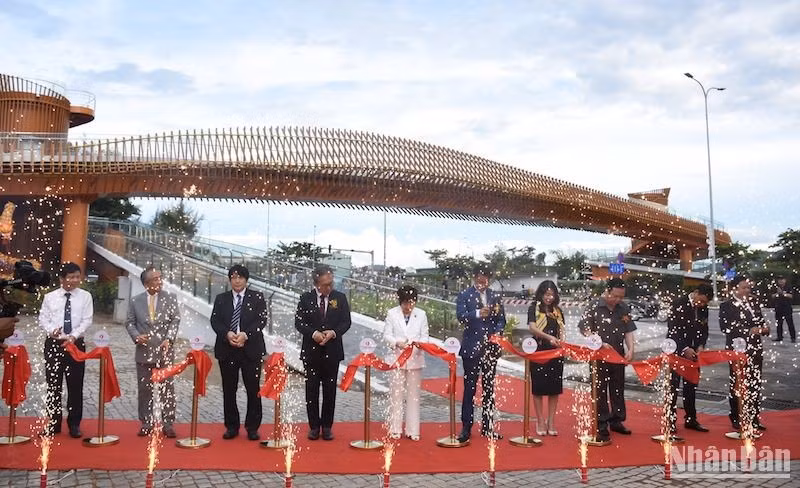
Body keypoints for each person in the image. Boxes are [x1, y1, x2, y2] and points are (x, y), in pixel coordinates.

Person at [211, 264, 267, 441]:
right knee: (229, 389)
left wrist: (246, 335)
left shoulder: (257, 297)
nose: (237, 280)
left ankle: (252, 427)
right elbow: (215, 321)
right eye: (233, 277)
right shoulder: (221, 299)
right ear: (230, 280)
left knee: (253, 389)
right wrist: (227, 333)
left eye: (240, 277)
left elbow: (262, 320)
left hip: (251, 349)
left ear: (246, 280)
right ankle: (232, 426)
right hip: (227, 349)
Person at [295, 265, 351, 441]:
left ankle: (327, 426)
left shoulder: (339, 298)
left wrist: (333, 332)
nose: (329, 287)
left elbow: (346, 322)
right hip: (312, 352)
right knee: (311, 390)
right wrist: (314, 334)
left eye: (331, 283)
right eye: (325, 284)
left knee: (329, 391)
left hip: (332, 351)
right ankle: (314, 426)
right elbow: (299, 322)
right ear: (316, 283)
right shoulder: (305, 298)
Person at [38, 262, 93, 437]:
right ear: (62, 279)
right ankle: (53, 422)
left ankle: (74, 424)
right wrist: (51, 330)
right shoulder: (50, 297)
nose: (75, 280)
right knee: (53, 385)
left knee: (75, 385)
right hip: (54, 344)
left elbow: (87, 320)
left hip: (75, 344)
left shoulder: (85, 296)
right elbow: (43, 319)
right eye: (71, 277)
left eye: (77, 276)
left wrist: (73, 336)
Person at [125, 266, 180, 438]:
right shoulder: (135, 301)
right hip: (144, 350)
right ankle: (146, 422)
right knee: (145, 389)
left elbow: (175, 320)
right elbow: (129, 323)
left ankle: (168, 423)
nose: (160, 281)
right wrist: (136, 336)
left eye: (160, 278)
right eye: (156, 279)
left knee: (167, 389)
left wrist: (169, 339)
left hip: (164, 351)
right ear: (146, 283)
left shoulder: (170, 298)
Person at [578, 277, 636, 442]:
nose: (617, 300)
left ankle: (617, 420)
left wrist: (631, 348)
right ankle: (601, 424)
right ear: (607, 291)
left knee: (618, 388)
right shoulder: (594, 306)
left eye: (621, 297)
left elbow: (628, 330)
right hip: (599, 355)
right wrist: (599, 342)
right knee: (600, 390)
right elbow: (585, 330)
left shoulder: (623, 307)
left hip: (617, 355)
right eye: (615, 296)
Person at [456, 264, 506, 442]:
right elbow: (461, 316)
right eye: (479, 277)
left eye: (485, 278)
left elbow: (502, 319)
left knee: (489, 388)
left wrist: (498, 332)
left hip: (491, 348)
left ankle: (488, 426)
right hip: (471, 348)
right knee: (470, 387)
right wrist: (477, 313)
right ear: (474, 277)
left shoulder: (495, 296)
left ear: (489, 280)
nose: (482, 281)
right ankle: (466, 427)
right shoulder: (464, 295)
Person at [720, 275, 769, 431]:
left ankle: (753, 417)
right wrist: (748, 331)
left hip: (755, 349)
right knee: (737, 383)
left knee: (755, 383)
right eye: (743, 288)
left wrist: (764, 329)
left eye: (748, 287)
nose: (747, 290)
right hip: (737, 350)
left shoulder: (754, 303)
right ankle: (736, 416)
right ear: (735, 288)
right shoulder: (726, 305)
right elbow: (725, 327)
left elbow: (760, 322)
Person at [383, 285, 429, 441]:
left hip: (415, 359)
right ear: (400, 301)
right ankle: (395, 428)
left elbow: (425, 338)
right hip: (396, 358)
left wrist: (416, 344)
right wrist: (397, 342)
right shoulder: (392, 313)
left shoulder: (421, 315)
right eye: (405, 303)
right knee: (396, 394)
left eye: (411, 303)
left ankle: (413, 429)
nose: (408, 307)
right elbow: (387, 335)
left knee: (414, 396)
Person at [666, 284, 714, 434]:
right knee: (672, 386)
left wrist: (701, 345)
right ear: (695, 293)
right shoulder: (678, 303)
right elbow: (673, 329)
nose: (702, 305)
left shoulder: (703, 308)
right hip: (676, 350)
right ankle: (669, 420)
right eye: (701, 301)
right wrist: (685, 348)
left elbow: (704, 329)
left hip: (694, 353)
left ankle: (691, 419)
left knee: (691, 386)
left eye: (705, 303)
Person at [526, 280, 565, 436]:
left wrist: (561, 342)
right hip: (539, 351)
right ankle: (540, 420)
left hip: (555, 352)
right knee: (539, 387)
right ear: (541, 294)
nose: (549, 297)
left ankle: (551, 420)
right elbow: (532, 328)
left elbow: (561, 330)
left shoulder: (558, 311)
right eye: (546, 294)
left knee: (554, 389)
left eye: (551, 294)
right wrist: (548, 337)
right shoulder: (534, 308)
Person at [771, 276, 796, 343]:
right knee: (779, 324)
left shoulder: (788, 287)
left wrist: (783, 293)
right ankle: (779, 337)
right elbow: (772, 296)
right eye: (779, 280)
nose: (780, 281)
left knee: (790, 323)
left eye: (782, 279)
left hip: (787, 307)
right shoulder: (776, 287)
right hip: (778, 307)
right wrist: (777, 294)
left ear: (785, 280)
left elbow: (791, 296)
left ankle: (793, 337)